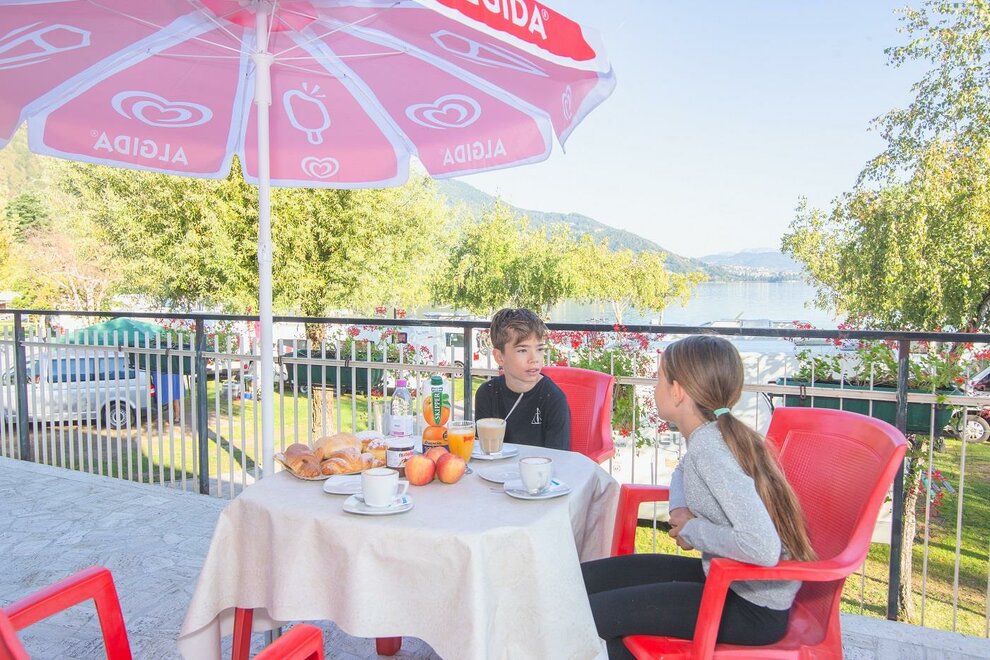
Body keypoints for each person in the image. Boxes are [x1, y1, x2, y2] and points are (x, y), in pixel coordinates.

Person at [581, 335, 816, 658]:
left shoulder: (710, 448)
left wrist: (693, 529)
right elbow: (682, 469)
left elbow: (762, 547)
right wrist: (679, 511)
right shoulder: (713, 434)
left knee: (584, 616)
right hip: (727, 580)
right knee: (584, 581)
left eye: (659, 378)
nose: (654, 387)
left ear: (677, 391)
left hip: (751, 608)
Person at [474, 308, 571, 450]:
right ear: (499, 357)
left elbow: (559, 458)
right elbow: (484, 451)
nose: (534, 359)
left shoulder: (553, 398)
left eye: (539, 349)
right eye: (522, 350)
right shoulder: (487, 394)